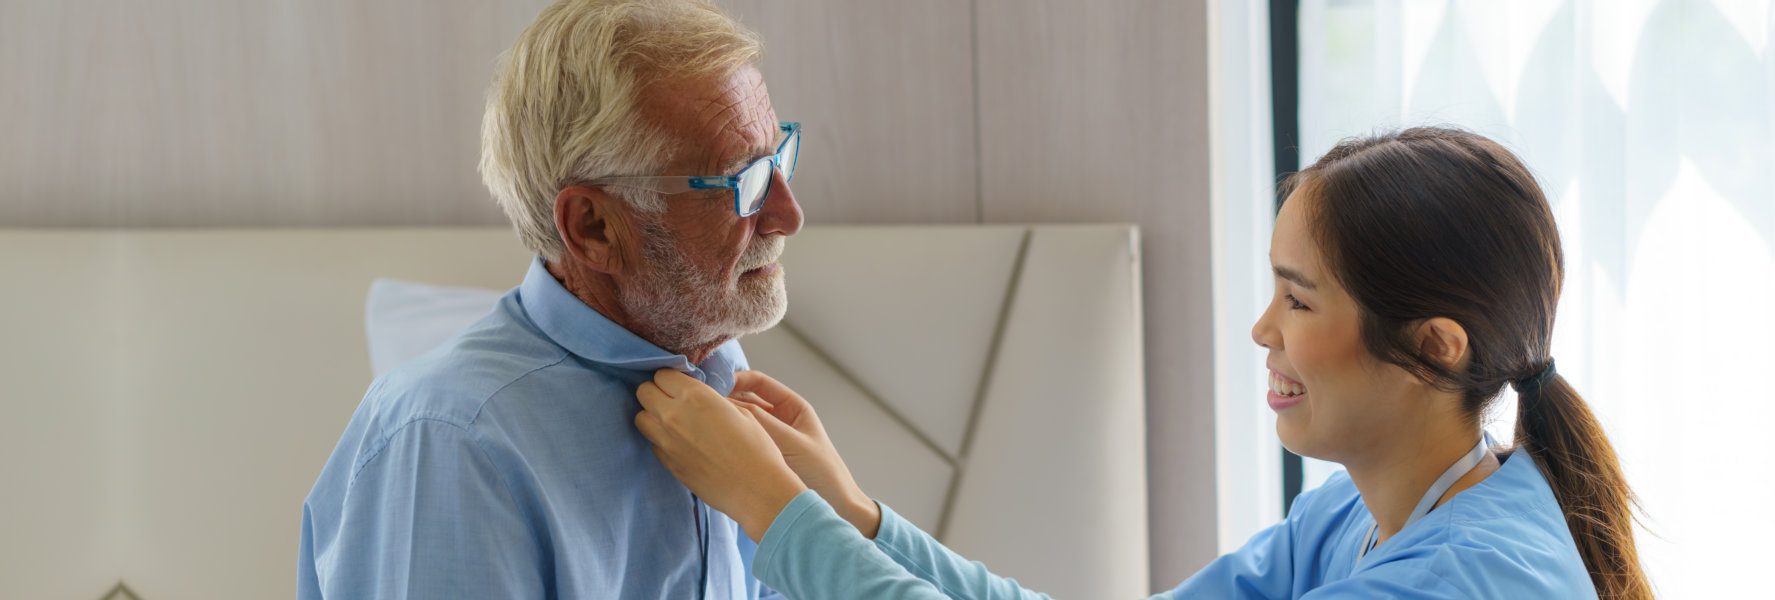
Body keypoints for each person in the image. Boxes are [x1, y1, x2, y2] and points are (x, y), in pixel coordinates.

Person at [633, 128, 1655, 599]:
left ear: (1434, 349)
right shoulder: (1355, 516)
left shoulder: (1459, 584)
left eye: (1299, 300)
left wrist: (774, 513)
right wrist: (855, 515)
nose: (1264, 330)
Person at [297, 0, 802, 597]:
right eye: (743, 182)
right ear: (593, 227)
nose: (788, 215)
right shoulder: (452, 443)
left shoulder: (713, 366)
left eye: (778, 160)